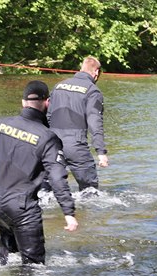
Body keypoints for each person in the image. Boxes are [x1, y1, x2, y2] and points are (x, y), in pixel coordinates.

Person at [0, 80, 79, 265]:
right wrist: (68, 211)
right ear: (48, 103)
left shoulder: (1, 125)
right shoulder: (48, 138)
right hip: (22, 209)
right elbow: (57, 176)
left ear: (23, 102)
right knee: (34, 268)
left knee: (8, 256)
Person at [46, 56, 109, 191]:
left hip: (51, 145)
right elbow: (94, 122)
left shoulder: (59, 86)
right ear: (96, 72)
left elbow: (48, 116)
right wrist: (101, 151)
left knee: (48, 190)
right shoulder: (92, 91)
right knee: (90, 191)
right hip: (75, 146)